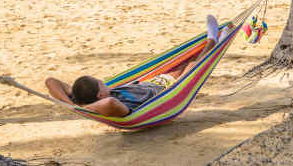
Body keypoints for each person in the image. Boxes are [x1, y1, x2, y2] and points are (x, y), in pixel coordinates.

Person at [45, 15, 234, 117]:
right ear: (100, 95)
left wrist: (73, 106)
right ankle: (213, 40)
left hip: (151, 81)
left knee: (185, 61)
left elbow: (50, 81)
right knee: (193, 66)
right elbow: (109, 103)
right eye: (101, 84)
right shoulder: (116, 107)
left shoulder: (82, 97)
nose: (104, 82)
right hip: (165, 93)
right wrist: (86, 109)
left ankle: (215, 41)